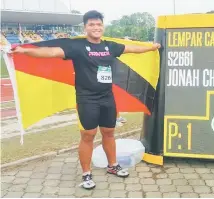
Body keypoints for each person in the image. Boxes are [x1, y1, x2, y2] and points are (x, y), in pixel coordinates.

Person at [10, 10, 161, 190]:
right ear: (85, 27)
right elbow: (50, 52)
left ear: (102, 27)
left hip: (107, 98)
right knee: (88, 135)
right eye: (92, 24)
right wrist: (24, 51)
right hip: (87, 99)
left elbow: (133, 49)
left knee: (109, 132)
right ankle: (86, 173)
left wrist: (152, 47)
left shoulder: (110, 46)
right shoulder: (77, 46)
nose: (96, 27)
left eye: (99, 24)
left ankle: (112, 166)